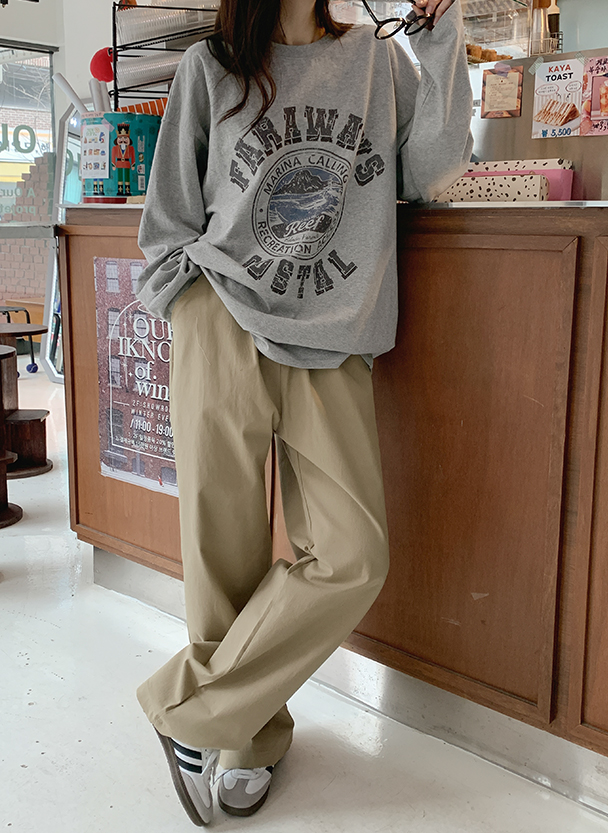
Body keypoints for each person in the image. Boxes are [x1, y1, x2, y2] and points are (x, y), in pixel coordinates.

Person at [135, 0, 473, 825]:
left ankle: (190, 710)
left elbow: (430, 170)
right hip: (220, 317)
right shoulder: (211, 67)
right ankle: (248, 738)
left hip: (334, 334)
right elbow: (168, 215)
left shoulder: (374, 61)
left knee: (354, 554)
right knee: (223, 553)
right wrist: (187, 304)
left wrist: (438, 39)